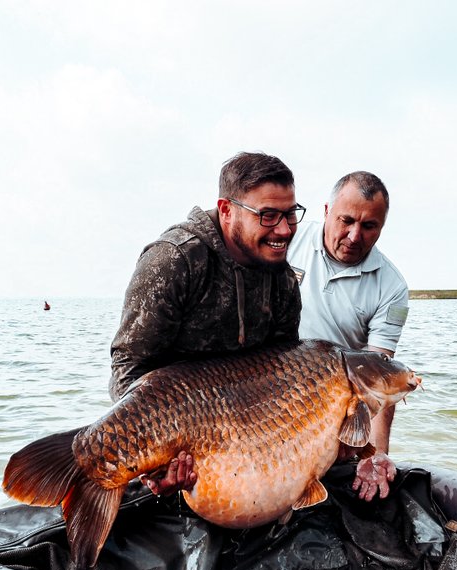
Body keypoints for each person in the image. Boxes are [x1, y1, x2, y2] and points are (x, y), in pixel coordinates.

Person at [108, 151, 304, 494]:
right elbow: (129, 368)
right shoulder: (174, 260)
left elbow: (282, 371)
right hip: (174, 428)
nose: (285, 230)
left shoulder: (283, 280)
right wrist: (156, 459)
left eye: (291, 214)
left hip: (244, 432)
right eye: (269, 215)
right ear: (227, 211)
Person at [287, 171, 409, 502]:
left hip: (331, 406)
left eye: (369, 226)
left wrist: (376, 452)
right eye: (347, 220)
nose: (355, 236)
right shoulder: (288, 241)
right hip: (269, 385)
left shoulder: (392, 287)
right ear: (326, 211)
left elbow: (379, 375)